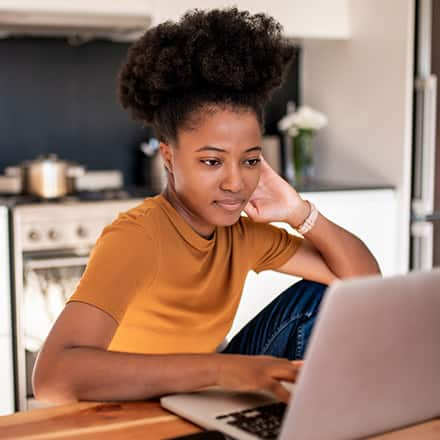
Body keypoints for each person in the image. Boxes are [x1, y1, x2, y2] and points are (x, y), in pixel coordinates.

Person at [33, 8, 380, 406]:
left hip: (200, 395)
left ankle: (298, 420)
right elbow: (53, 378)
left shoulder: (243, 233)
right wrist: (221, 368)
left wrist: (300, 213)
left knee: (322, 293)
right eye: (212, 161)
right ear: (168, 156)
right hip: (134, 404)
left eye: (250, 160)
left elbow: (361, 283)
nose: (235, 182)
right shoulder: (138, 237)